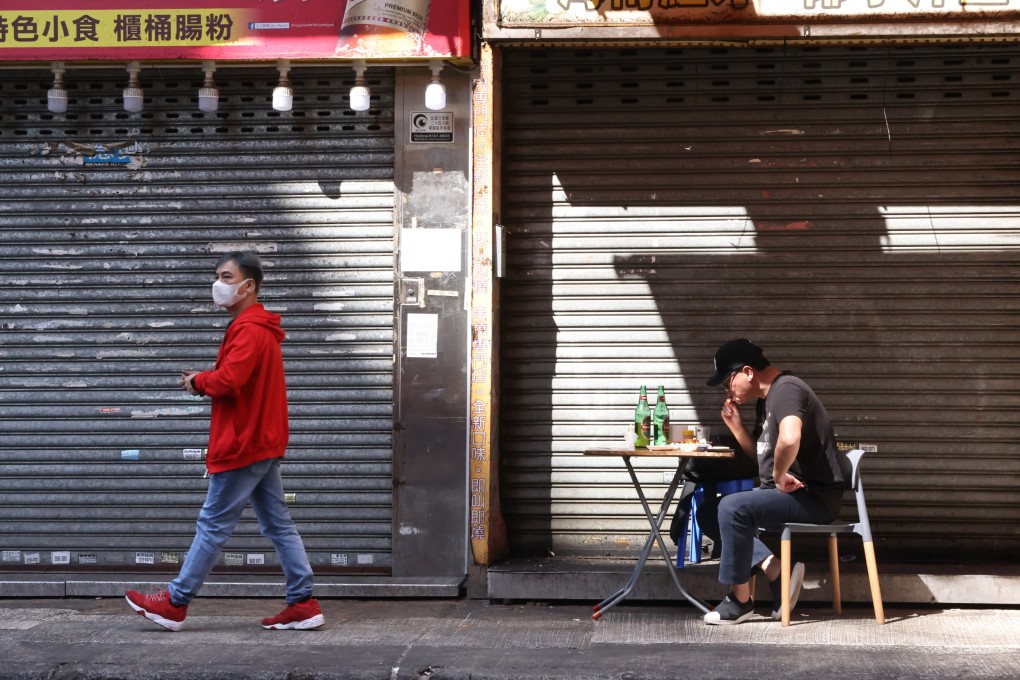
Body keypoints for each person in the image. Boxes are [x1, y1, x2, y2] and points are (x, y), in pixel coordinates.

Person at [125, 251, 324, 632]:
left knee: (212, 524)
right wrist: (206, 374)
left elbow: (231, 381)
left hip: (244, 442)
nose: (219, 284)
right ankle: (303, 602)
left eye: (226, 276)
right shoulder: (256, 328)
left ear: (248, 285)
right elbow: (239, 377)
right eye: (218, 276)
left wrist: (198, 381)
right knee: (279, 525)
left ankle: (175, 602)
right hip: (261, 440)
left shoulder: (249, 329)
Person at [702, 339, 845, 625]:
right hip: (786, 496)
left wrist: (779, 476)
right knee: (707, 511)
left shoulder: (787, 389)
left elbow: (790, 438)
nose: (727, 391)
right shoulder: (767, 401)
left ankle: (740, 601)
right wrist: (738, 429)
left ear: (747, 372)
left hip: (812, 498)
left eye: (727, 383)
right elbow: (764, 458)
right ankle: (775, 568)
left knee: (732, 508)